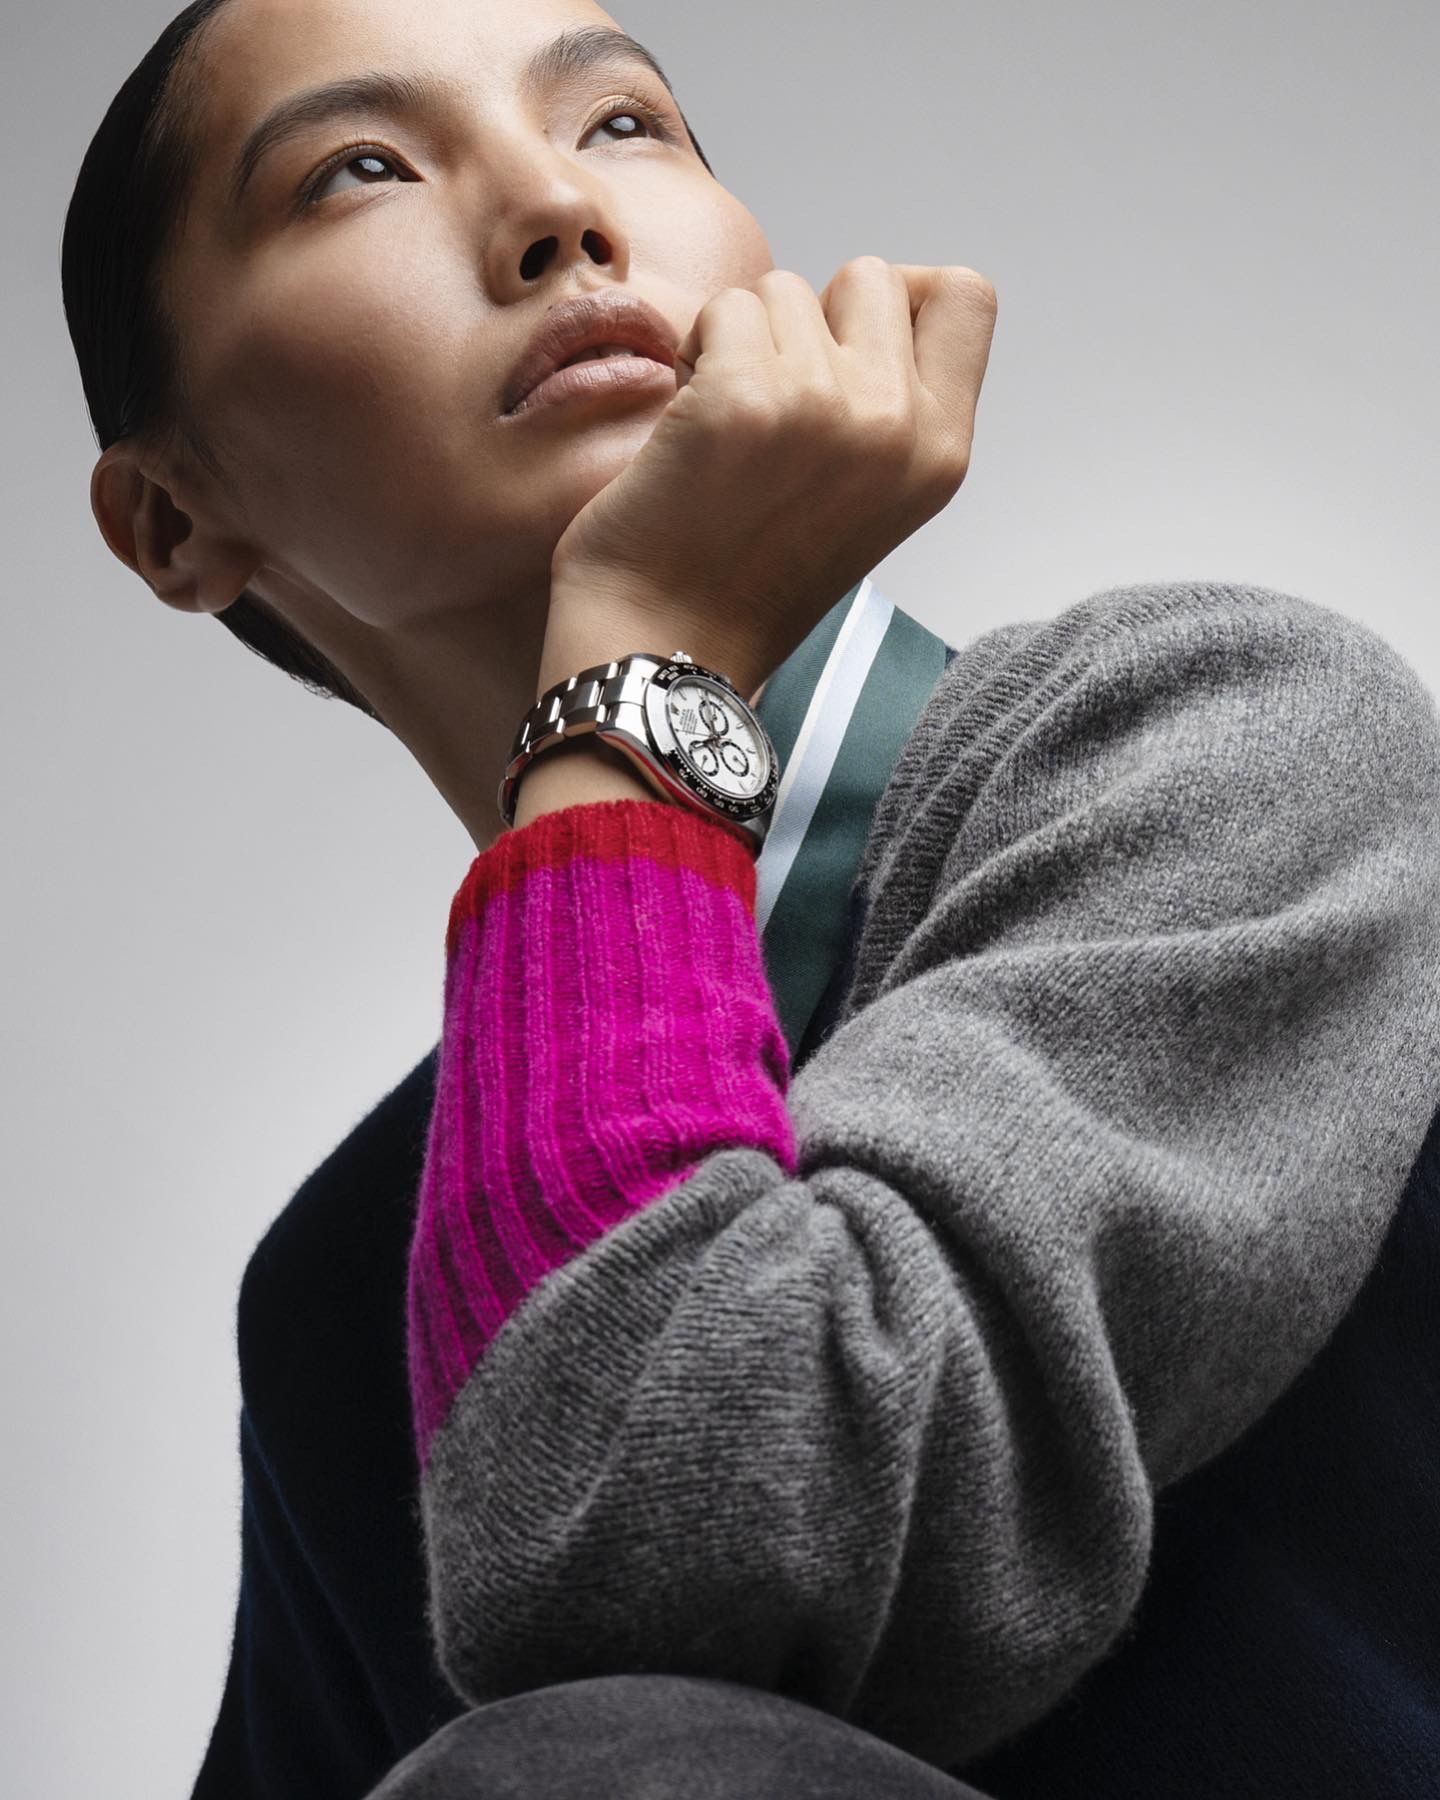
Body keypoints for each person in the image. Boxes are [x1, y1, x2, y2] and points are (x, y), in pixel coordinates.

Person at [61, 1, 1440, 1797]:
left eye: (625, 122)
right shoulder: (343, 1292)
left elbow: (673, 1572)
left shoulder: (1220, 737)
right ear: (177, 521)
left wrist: (635, 662)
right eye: (362, 169)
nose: (558, 209)